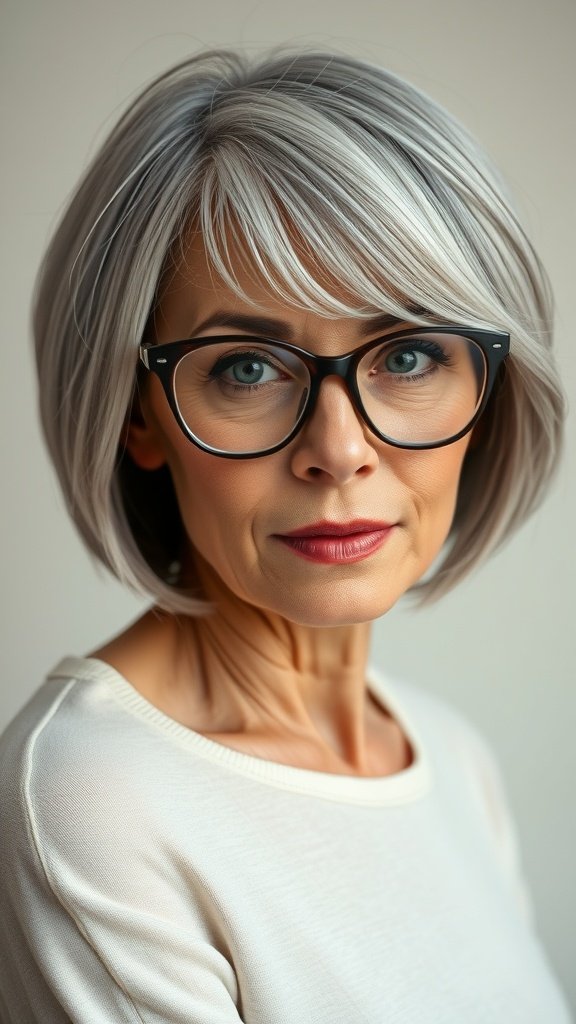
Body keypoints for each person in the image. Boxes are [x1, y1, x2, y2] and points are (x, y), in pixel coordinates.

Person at [0, 48, 571, 1024]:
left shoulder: (450, 759)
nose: (339, 450)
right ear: (138, 413)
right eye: (247, 369)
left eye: (410, 352)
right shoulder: (95, 796)